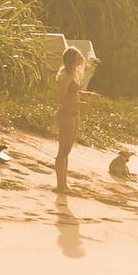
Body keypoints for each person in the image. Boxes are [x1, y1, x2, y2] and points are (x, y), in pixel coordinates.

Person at [54, 46, 98, 193]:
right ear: (72, 59)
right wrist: (80, 103)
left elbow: (75, 91)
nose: (81, 61)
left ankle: (64, 184)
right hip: (65, 113)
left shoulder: (72, 74)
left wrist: (88, 95)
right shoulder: (65, 75)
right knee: (63, 150)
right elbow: (62, 99)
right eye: (79, 58)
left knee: (67, 150)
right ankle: (60, 184)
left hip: (74, 114)